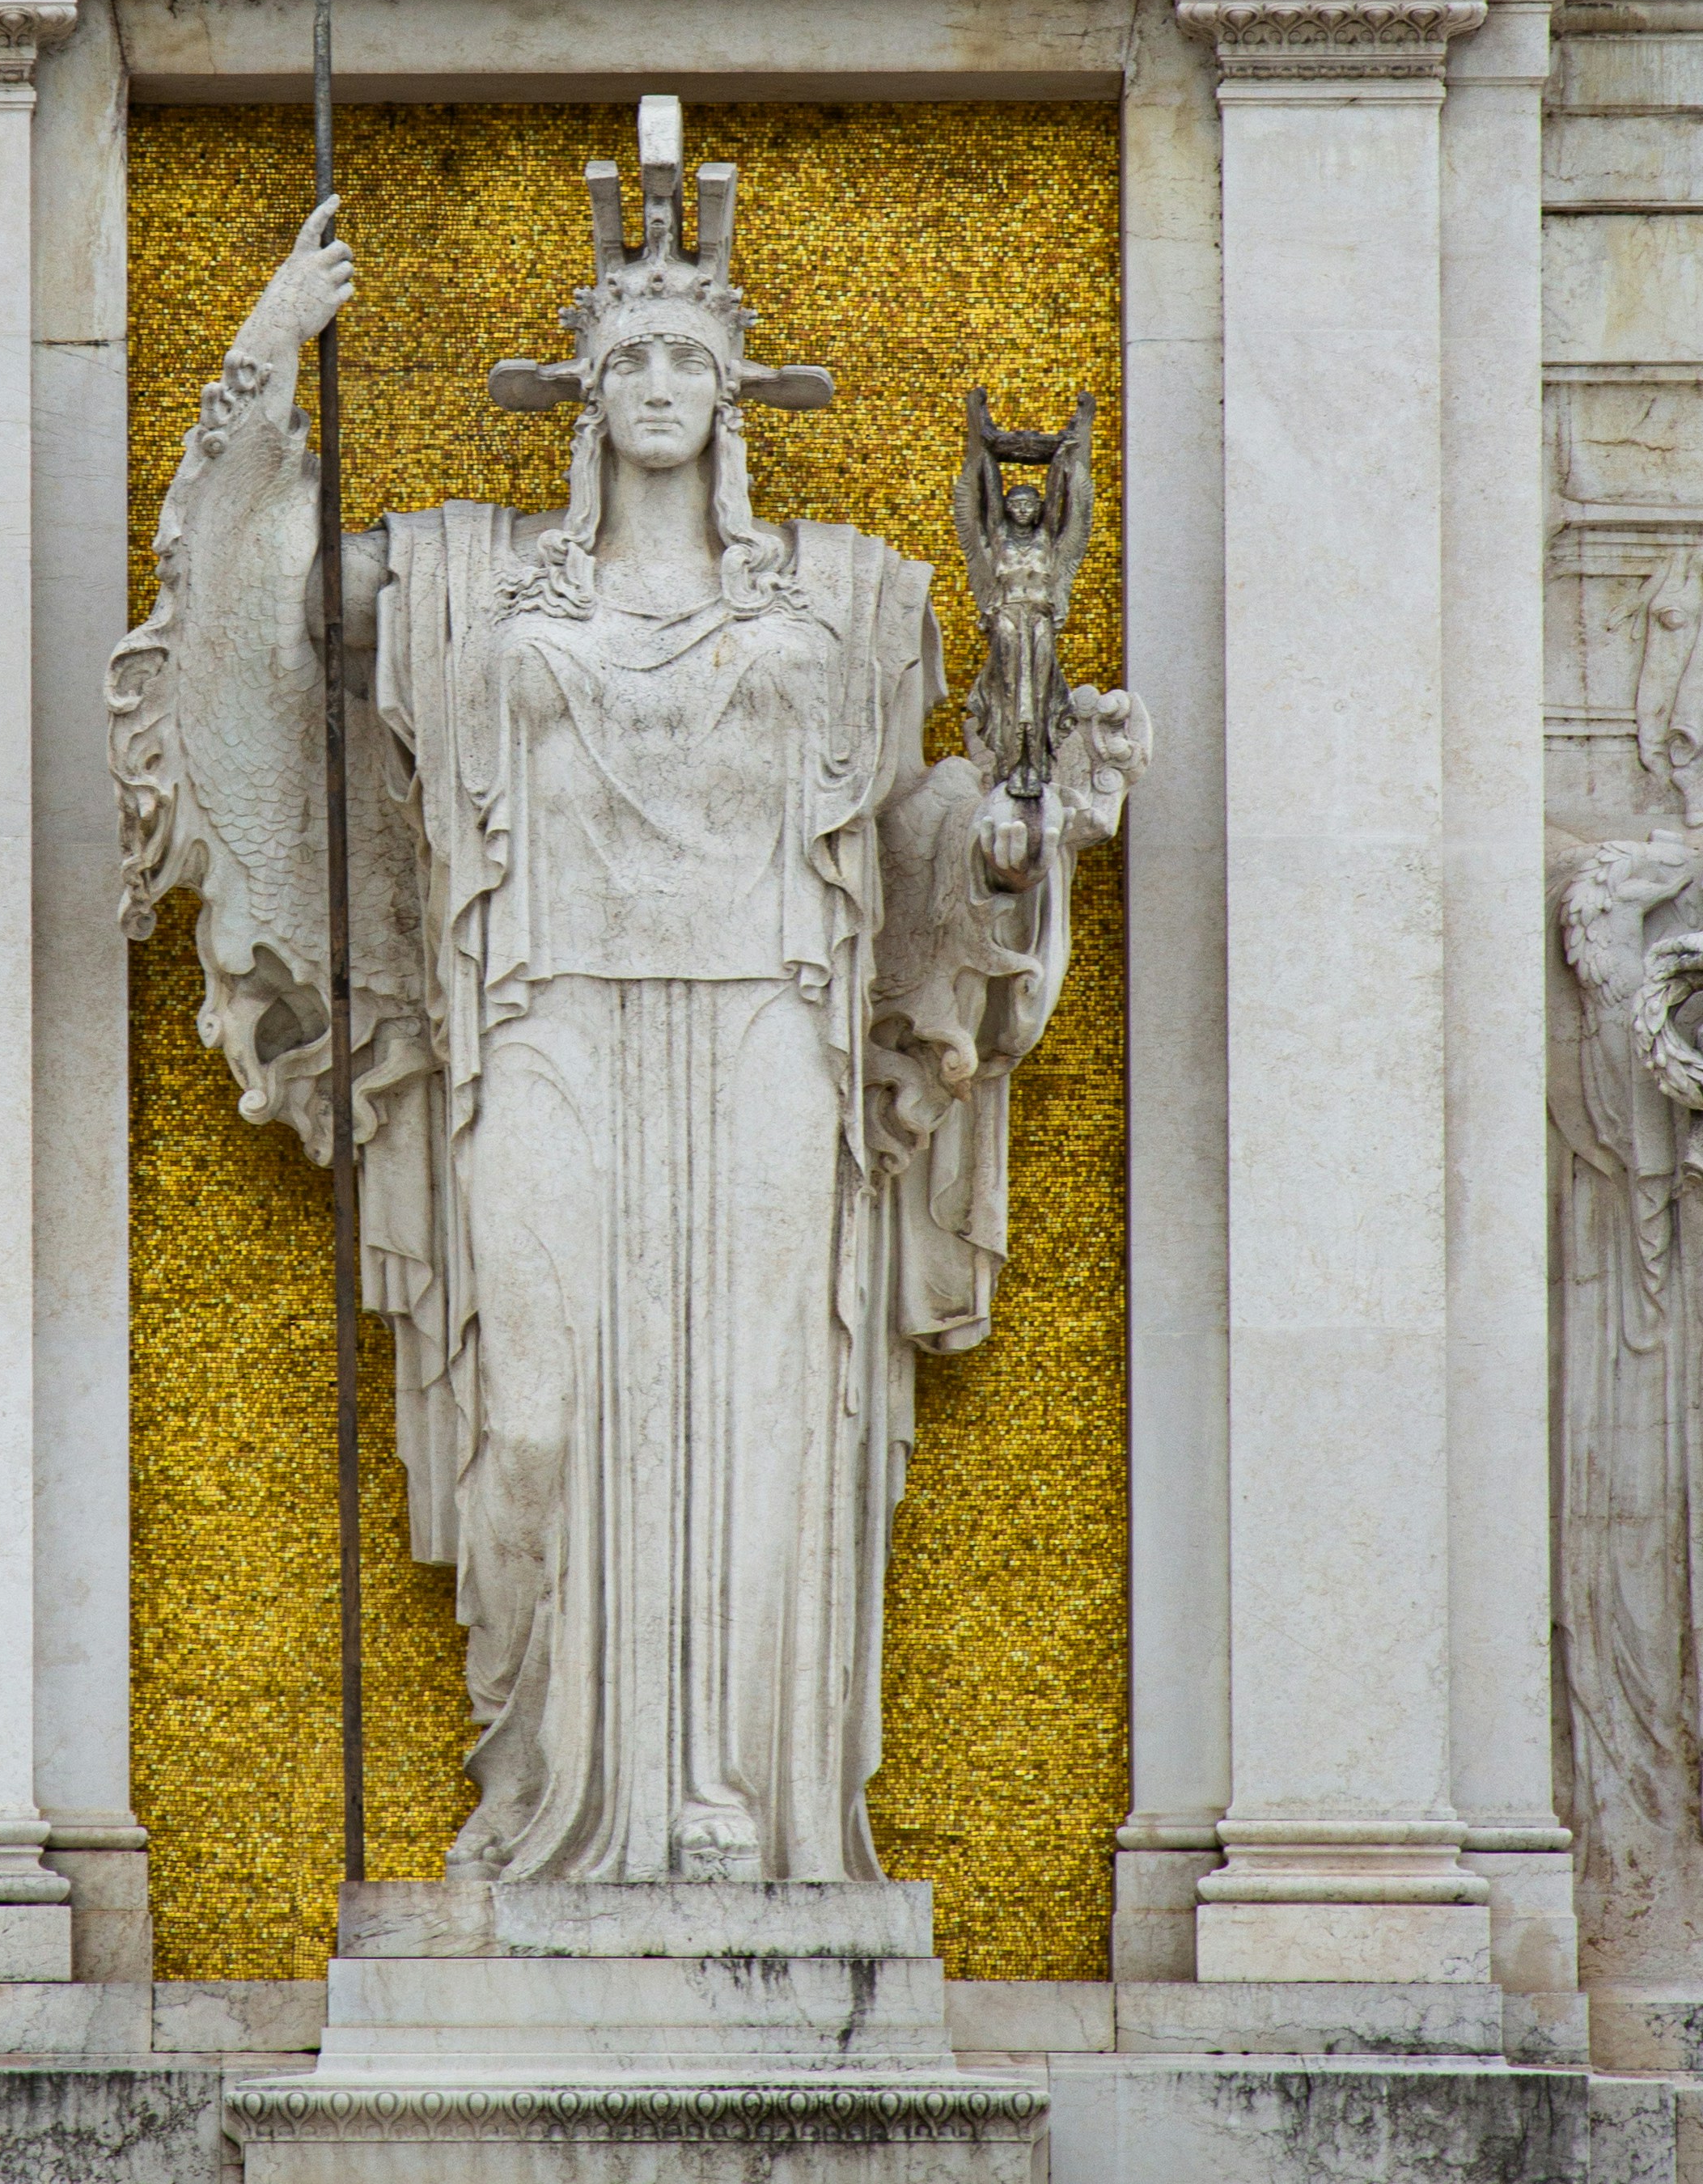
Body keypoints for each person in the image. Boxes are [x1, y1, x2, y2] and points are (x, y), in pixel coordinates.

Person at [108, 104, 1146, 1885]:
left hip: (763, 1026)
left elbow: (902, 829)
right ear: (581, 394)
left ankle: (731, 1805)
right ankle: (548, 1793)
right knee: (536, 1418)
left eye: (691, 355)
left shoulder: (850, 598)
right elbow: (246, 623)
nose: (660, 379)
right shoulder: (449, 581)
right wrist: (262, 375)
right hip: (544, 1027)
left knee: (760, 1422)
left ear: (734, 399)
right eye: (630, 354)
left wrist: (1005, 829)